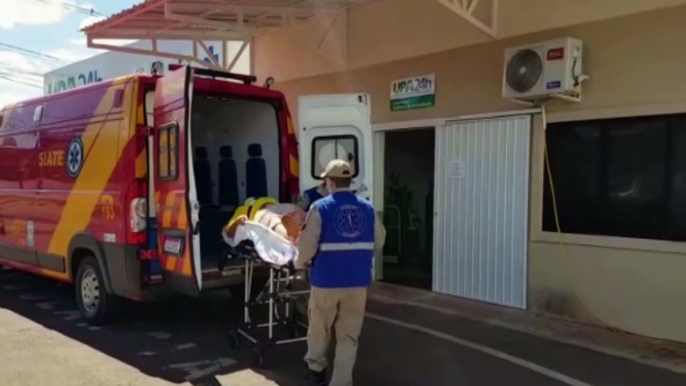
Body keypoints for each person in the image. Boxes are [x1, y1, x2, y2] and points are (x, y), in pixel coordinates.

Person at [295, 159, 386, 386]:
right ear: (349, 181)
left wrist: (299, 263)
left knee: (320, 329)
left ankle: (316, 371)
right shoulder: (367, 208)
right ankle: (341, 382)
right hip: (357, 282)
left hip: (326, 281)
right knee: (348, 335)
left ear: (330, 182)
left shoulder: (321, 208)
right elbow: (380, 240)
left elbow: (307, 246)